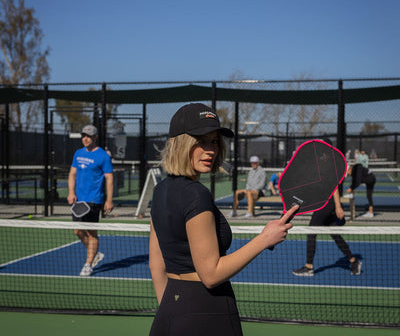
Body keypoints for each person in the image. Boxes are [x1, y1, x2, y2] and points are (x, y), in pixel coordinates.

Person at [148, 103, 298, 336]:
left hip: (169, 313)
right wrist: (264, 239)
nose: (210, 150)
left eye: (214, 141)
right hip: (208, 312)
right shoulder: (196, 195)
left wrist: (175, 311)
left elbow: (156, 265)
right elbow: (211, 274)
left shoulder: (159, 191)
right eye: (201, 141)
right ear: (178, 143)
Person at [67, 125, 114, 276]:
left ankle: (88, 263)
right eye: (83, 136)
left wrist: (109, 200)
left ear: (95, 137)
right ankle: (95, 254)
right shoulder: (78, 153)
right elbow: (72, 174)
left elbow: (109, 179)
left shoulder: (103, 156)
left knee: (91, 232)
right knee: (77, 231)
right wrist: (71, 192)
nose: (85, 138)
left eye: (88, 136)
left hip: (94, 200)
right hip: (78, 201)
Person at [292, 188, 362, 277]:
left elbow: (334, 187)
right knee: (335, 234)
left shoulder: (325, 173)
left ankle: (309, 267)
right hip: (323, 203)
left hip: (326, 203)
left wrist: (338, 206)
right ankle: (354, 261)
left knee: (311, 232)